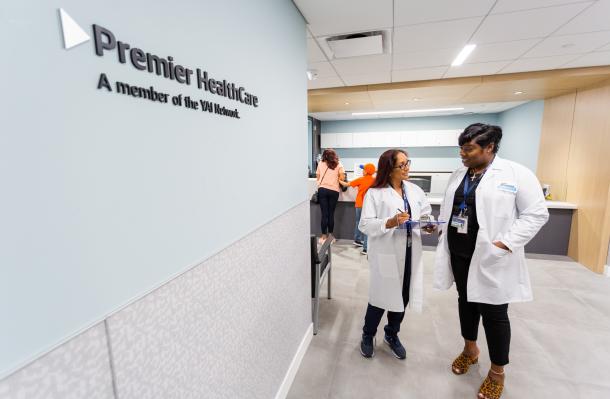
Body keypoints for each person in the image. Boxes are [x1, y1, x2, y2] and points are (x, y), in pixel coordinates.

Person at [433, 123, 549, 399]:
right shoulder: (460, 174)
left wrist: (504, 243)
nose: (462, 153)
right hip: (460, 253)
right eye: (461, 147)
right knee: (466, 302)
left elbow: (536, 214)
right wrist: (438, 225)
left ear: (490, 147)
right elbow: (452, 209)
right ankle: (470, 350)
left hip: (492, 257)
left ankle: (497, 372)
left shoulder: (516, 173)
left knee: (495, 315)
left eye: (469, 148)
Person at [358, 149, 434, 359]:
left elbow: (426, 212)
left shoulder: (415, 190)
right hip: (387, 253)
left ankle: (391, 334)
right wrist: (389, 222)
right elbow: (364, 224)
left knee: (402, 296)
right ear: (389, 169)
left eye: (407, 163)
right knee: (380, 297)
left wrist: (428, 224)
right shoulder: (375, 193)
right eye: (401, 165)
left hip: (410, 252)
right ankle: (367, 334)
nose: (407, 168)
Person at [340, 163, 376, 255]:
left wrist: (338, 180)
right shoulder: (375, 180)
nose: (362, 171)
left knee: (358, 222)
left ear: (366, 171)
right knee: (367, 224)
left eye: (363, 169)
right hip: (369, 206)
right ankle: (366, 248)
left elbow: (346, 184)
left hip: (359, 204)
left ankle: (357, 240)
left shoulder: (361, 179)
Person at [316, 149, 345, 244]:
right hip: (334, 191)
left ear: (324, 155)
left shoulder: (321, 163)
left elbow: (318, 176)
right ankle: (331, 237)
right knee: (331, 214)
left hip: (322, 190)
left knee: (324, 214)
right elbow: (342, 178)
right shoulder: (339, 164)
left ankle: (323, 237)